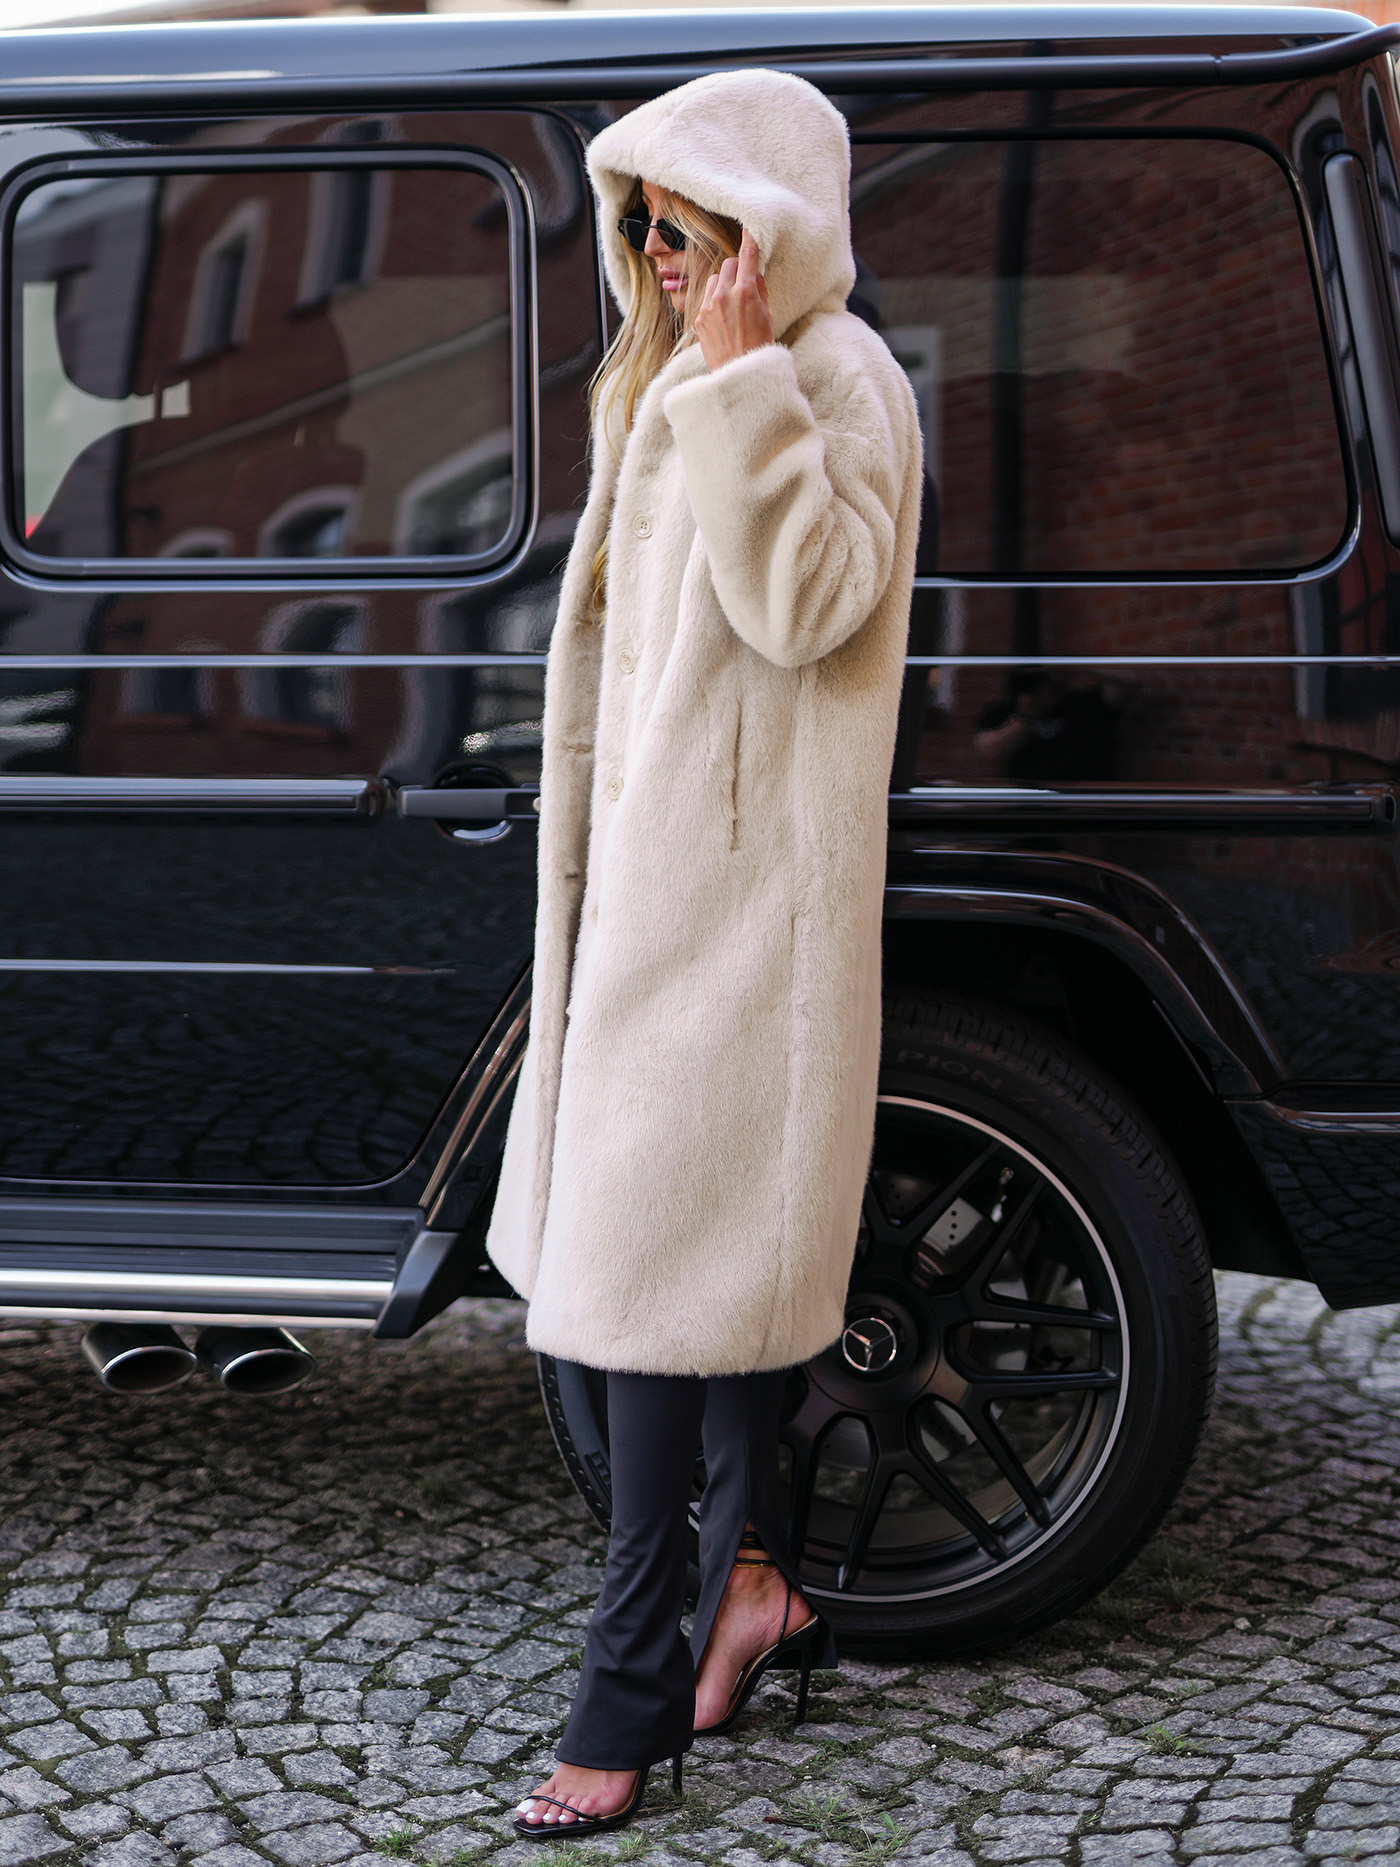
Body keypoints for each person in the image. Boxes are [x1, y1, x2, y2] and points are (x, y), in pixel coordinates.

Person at [484, 67, 924, 1840]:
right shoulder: (665, 373)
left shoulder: (834, 378)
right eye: (642, 225)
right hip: (650, 901)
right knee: (684, 1303)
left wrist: (746, 386)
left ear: (767, 227)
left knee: (649, 1310)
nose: (658, 255)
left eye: (686, 225)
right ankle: (754, 1590)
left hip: (745, 921)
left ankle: (625, 1694)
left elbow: (810, 609)